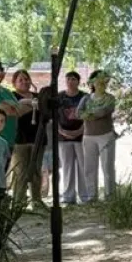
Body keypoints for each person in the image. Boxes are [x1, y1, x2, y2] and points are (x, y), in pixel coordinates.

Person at [8, 70, 46, 209]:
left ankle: (37, 201)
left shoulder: (39, 97)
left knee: (36, 171)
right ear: (14, 83)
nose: (24, 82)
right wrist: (28, 103)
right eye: (20, 80)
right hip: (20, 140)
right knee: (21, 172)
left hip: (38, 139)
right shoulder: (12, 97)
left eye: (26, 79)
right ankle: (19, 203)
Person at [78, 70, 116, 202]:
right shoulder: (86, 99)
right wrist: (88, 114)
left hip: (106, 135)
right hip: (88, 136)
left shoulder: (110, 98)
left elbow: (104, 111)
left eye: (104, 81)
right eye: (98, 80)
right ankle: (91, 196)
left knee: (107, 167)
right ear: (92, 83)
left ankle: (110, 196)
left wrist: (88, 114)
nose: (101, 83)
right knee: (89, 167)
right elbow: (78, 113)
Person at [58, 71, 87, 204]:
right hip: (63, 138)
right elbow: (54, 117)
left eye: (74, 79)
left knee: (83, 166)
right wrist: (62, 132)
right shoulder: (59, 97)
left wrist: (80, 130)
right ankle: (69, 196)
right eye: (68, 79)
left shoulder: (85, 97)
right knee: (67, 167)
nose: (71, 81)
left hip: (82, 137)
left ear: (78, 81)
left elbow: (88, 117)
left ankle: (85, 196)